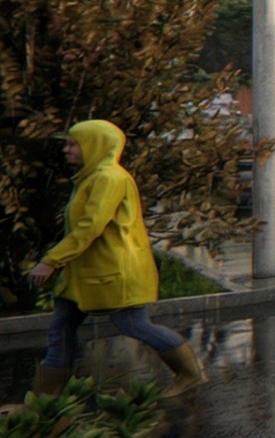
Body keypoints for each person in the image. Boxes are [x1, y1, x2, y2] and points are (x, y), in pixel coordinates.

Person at [27, 120, 207, 398]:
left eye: (73, 144)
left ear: (95, 146)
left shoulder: (109, 178)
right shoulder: (91, 177)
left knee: (134, 325)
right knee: (61, 328)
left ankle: (190, 373)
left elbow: (90, 227)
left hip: (115, 272)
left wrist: (51, 261)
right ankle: (44, 400)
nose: (66, 150)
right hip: (86, 274)